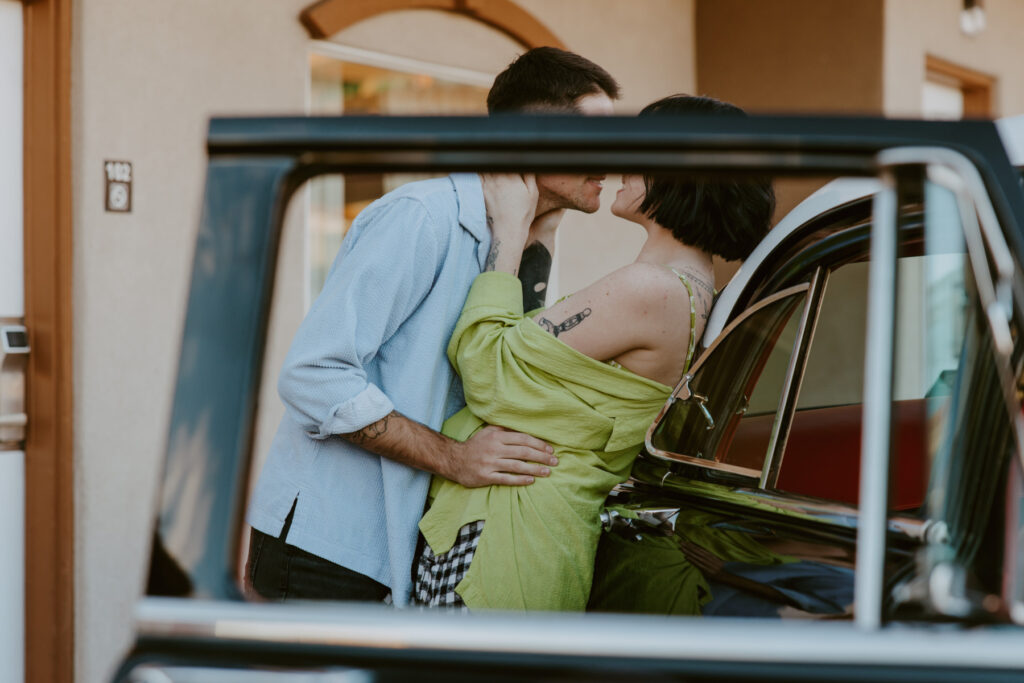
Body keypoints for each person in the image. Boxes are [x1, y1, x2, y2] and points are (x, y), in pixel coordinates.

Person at [244, 47, 620, 606]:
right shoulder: (422, 218)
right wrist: (455, 458)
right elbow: (313, 374)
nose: (613, 161)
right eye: (598, 141)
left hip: (406, 546)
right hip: (331, 549)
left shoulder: (520, 240)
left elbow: (502, 377)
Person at [414, 94, 776, 611]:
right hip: (536, 531)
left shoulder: (648, 290)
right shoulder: (692, 290)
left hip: (506, 543)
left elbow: (486, 365)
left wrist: (509, 232)